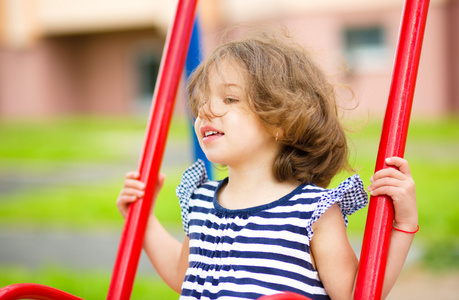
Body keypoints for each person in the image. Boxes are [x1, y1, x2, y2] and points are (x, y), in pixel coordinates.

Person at [117, 32, 418, 300]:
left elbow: (356, 293)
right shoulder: (202, 203)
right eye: (200, 102)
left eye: (230, 98)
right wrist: (142, 220)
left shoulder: (312, 211)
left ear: (282, 121)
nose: (206, 110)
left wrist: (402, 227)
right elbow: (184, 277)